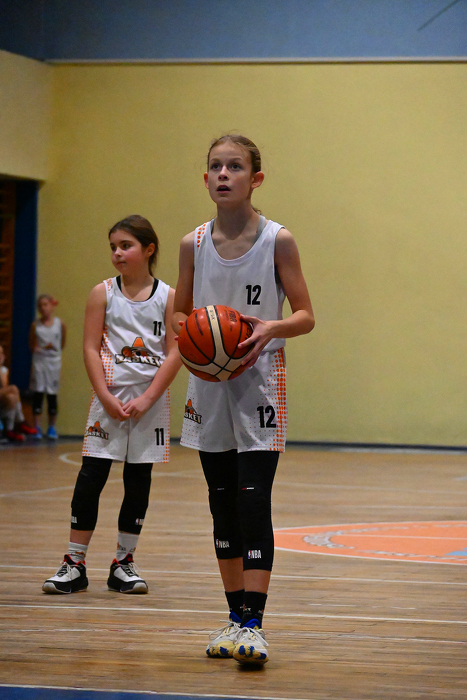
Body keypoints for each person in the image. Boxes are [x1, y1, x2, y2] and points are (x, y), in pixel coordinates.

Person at [172, 134, 314, 665]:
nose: (223, 174)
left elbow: (306, 315)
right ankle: (234, 618)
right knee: (221, 502)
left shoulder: (278, 240)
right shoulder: (192, 244)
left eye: (235, 166)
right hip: (208, 384)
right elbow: (179, 313)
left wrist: (269, 327)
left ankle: (255, 623)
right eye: (215, 166)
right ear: (205, 178)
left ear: (256, 179)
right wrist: (194, 337)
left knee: (253, 499)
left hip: (259, 380)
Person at [42, 215, 182, 595]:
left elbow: (176, 351)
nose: (117, 253)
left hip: (150, 402)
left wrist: (148, 397)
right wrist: (105, 395)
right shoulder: (102, 292)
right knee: (91, 477)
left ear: (149, 249)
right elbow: (90, 347)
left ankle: (124, 562)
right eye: (113, 247)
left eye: (126, 246)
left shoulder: (169, 297)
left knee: (138, 481)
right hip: (109, 398)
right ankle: (74, 563)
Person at [29, 294, 66, 440]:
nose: (43, 308)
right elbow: (31, 344)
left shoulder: (60, 324)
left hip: (54, 362)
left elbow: (62, 343)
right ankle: (36, 427)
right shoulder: (35, 325)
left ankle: (51, 427)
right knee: (38, 393)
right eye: (40, 306)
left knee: (52, 394)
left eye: (45, 304)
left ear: (51, 305)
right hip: (40, 362)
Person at [0, 344, 38, 442]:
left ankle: (9, 429)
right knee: (14, 388)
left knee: (12, 397)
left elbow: (4, 386)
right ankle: (21, 421)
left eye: (2, 353)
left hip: (2, 400)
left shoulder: (3, 370)